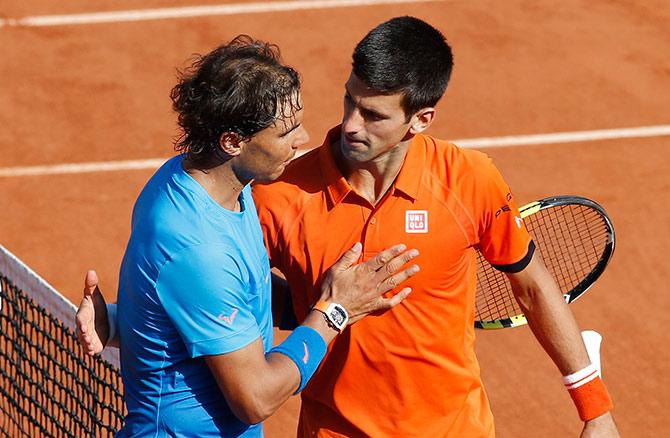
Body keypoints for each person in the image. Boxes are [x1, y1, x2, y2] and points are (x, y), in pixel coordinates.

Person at [79, 18, 619, 437]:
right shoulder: (277, 189)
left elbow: (533, 284)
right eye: (349, 101)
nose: (351, 126)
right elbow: (219, 292)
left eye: (375, 115)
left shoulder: (469, 180)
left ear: (421, 119)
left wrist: (594, 409)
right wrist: (338, 305)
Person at [76, 35, 421, 437]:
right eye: (285, 131)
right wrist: (334, 311)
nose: (303, 139)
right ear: (233, 142)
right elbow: (254, 398)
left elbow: (210, 302)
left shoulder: (204, 183)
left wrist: (121, 323)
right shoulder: (199, 248)